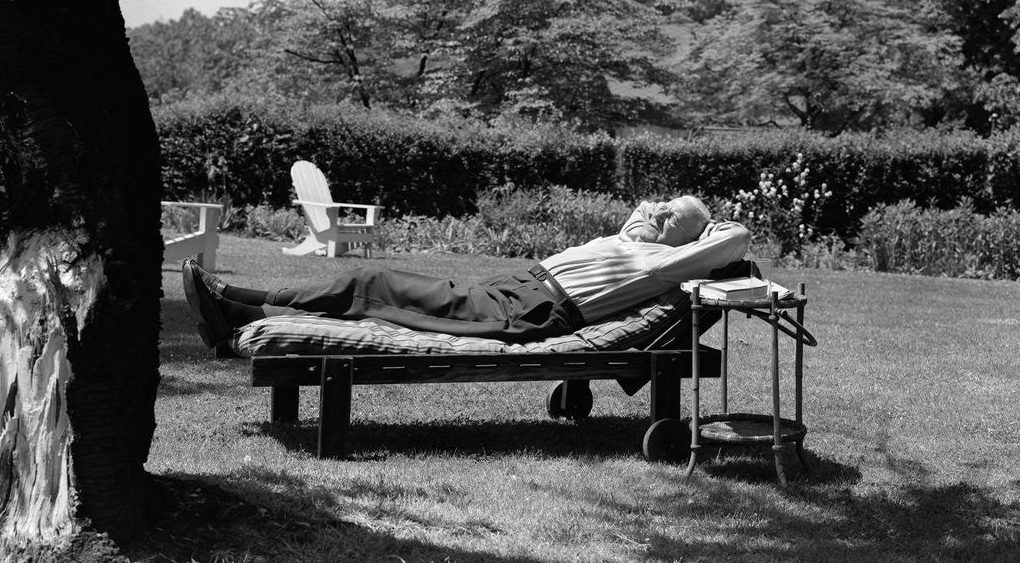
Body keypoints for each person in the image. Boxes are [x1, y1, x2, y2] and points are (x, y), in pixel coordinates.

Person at [182, 195, 750, 349]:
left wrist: (710, 227)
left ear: (694, 237)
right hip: (514, 288)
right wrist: (661, 217)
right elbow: (637, 221)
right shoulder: (637, 241)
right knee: (377, 291)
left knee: (373, 285)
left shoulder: (664, 265)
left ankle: (235, 299)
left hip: (530, 310)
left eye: (670, 212)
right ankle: (237, 311)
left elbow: (737, 239)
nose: (654, 210)